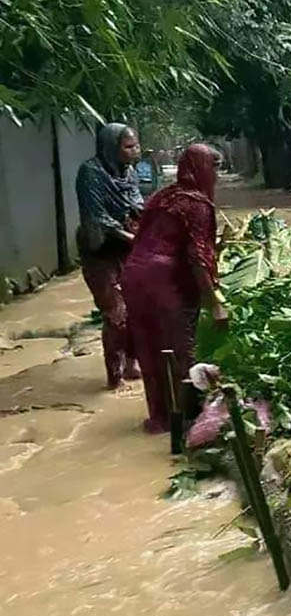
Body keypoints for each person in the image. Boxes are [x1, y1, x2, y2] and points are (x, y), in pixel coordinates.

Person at [121, 145, 227, 434]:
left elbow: (150, 236)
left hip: (133, 274)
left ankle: (158, 419)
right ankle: (188, 422)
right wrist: (215, 302)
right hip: (164, 279)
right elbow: (196, 256)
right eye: (215, 167)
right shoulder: (197, 204)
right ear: (203, 168)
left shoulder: (162, 196)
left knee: (149, 348)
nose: (216, 175)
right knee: (182, 348)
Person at [76, 123, 143, 389]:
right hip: (100, 250)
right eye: (128, 147)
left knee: (138, 305)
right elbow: (97, 217)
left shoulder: (130, 173)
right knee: (116, 313)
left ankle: (132, 363)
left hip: (127, 246)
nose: (135, 152)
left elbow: (137, 205)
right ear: (111, 147)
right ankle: (113, 377)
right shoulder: (90, 172)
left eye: (135, 146)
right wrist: (131, 237)